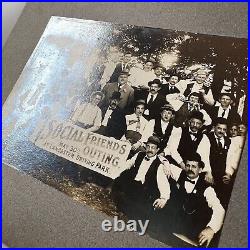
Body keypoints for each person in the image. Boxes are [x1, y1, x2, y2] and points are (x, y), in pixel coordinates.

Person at [161, 153, 225, 247]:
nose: (190, 169)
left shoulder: (207, 188)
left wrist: (211, 229)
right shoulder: (179, 173)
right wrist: (166, 163)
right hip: (174, 226)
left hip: (193, 231)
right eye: (188, 165)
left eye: (194, 166)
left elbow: (219, 209)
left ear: (200, 169)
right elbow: (158, 159)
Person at [111, 136, 169, 221]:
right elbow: (128, 164)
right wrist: (116, 173)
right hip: (132, 183)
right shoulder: (139, 154)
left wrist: (164, 198)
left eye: (153, 148)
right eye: (148, 146)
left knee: (138, 211)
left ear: (157, 150)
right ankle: (121, 208)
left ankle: (128, 212)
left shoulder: (159, 165)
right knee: (118, 181)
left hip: (144, 190)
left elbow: (163, 183)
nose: (150, 149)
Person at [164, 111, 213, 184]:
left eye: (198, 123)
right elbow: (172, 150)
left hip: (191, 169)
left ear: (201, 125)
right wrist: (182, 165)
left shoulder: (204, 138)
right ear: (189, 122)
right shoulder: (179, 131)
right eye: (193, 122)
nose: (195, 125)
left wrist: (209, 172)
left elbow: (205, 157)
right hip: (176, 165)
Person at [207, 118, 232, 208]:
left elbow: (230, 159)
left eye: (224, 129)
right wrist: (208, 173)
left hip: (221, 177)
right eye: (219, 128)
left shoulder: (228, 141)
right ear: (214, 128)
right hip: (209, 175)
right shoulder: (207, 137)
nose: (221, 131)